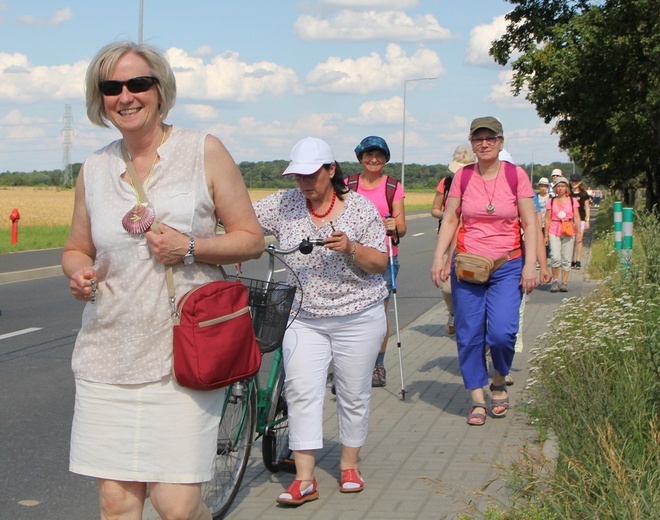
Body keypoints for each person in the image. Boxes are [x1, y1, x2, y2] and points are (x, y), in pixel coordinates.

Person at [62, 41, 264, 519]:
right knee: (117, 502)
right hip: (107, 351)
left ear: (159, 89)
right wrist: (78, 272)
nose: (125, 96)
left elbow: (250, 239)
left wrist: (191, 246)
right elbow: (76, 247)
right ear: (100, 98)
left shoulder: (203, 151)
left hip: (184, 351)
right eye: (112, 87)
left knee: (177, 505)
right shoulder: (94, 167)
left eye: (138, 83)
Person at [252, 137, 388, 506]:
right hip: (304, 316)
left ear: (331, 170)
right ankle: (305, 479)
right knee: (300, 391)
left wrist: (352, 249)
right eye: (298, 176)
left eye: (312, 175)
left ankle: (348, 466)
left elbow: (380, 263)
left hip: (357, 314)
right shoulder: (284, 203)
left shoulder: (359, 210)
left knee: (352, 392)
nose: (304, 183)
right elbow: (242, 218)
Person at [430, 116, 539, 427]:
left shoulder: (516, 176)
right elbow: (450, 219)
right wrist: (439, 258)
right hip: (468, 266)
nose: (485, 143)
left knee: (503, 333)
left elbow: (530, 223)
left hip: (508, 263)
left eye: (491, 138)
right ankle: (478, 398)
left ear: (501, 142)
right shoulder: (463, 177)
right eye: (478, 139)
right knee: (469, 334)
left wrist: (530, 264)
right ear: (472, 144)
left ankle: (500, 380)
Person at [348, 136, 406, 387]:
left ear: (385, 159)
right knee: (348, 313)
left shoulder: (393, 186)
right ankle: (350, 364)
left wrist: (395, 225)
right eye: (368, 155)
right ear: (360, 158)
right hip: (350, 258)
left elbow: (402, 227)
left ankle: (377, 365)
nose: (374, 160)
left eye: (379, 155)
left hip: (384, 258)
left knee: (378, 315)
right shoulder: (348, 184)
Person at [431, 144, 476, 334]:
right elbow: (434, 209)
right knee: (447, 287)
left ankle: (471, 323)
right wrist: (449, 217)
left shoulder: (477, 182)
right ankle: (453, 312)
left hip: (472, 240)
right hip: (449, 239)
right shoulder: (446, 183)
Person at [545, 177, 581, 292]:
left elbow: (577, 217)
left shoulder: (572, 201)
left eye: (562, 186)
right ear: (555, 188)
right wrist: (545, 235)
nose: (560, 189)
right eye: (558, 186)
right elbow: (547, 219)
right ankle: (555, 281)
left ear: (566, 188)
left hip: (568, 230)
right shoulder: (551, 201)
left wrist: (579, 233)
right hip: (554, 230)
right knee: (555, 257)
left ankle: (564, 282)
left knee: (566, 257)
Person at [569, 172, 591, 269]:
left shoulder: (583, 194)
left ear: (580, 182)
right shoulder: (568, 193)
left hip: (581, 219)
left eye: (576, 181)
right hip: (570, 220)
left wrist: (587, 220)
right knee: (571, 240)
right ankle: (571, 260)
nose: (574, 183)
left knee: (579, 239)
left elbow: (587, 207)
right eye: (573, 181)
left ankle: (578, 260)